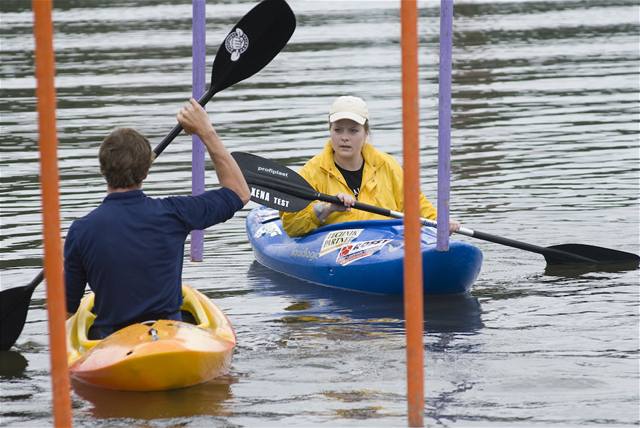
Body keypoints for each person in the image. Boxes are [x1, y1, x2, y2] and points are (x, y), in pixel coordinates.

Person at [64, 98, 250, 339]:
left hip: (111, 341)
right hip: (169, 336)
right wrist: (206, 132)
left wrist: (66, 260)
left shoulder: (81, 231)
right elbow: (240, 193)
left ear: (103, 169)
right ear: (146, 171)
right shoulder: (174, 213)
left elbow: (67, 311)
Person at [280, 95, 460, 237]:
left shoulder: (387, 165)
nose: (344, 137)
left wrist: (440, 221)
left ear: (366, 133)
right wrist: (327, 208)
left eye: (353, 130)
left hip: (386, 243)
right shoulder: (311, 172)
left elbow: (415, 204)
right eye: (338, 129)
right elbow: (291, 226)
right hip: (336, 249)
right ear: (330, 131)